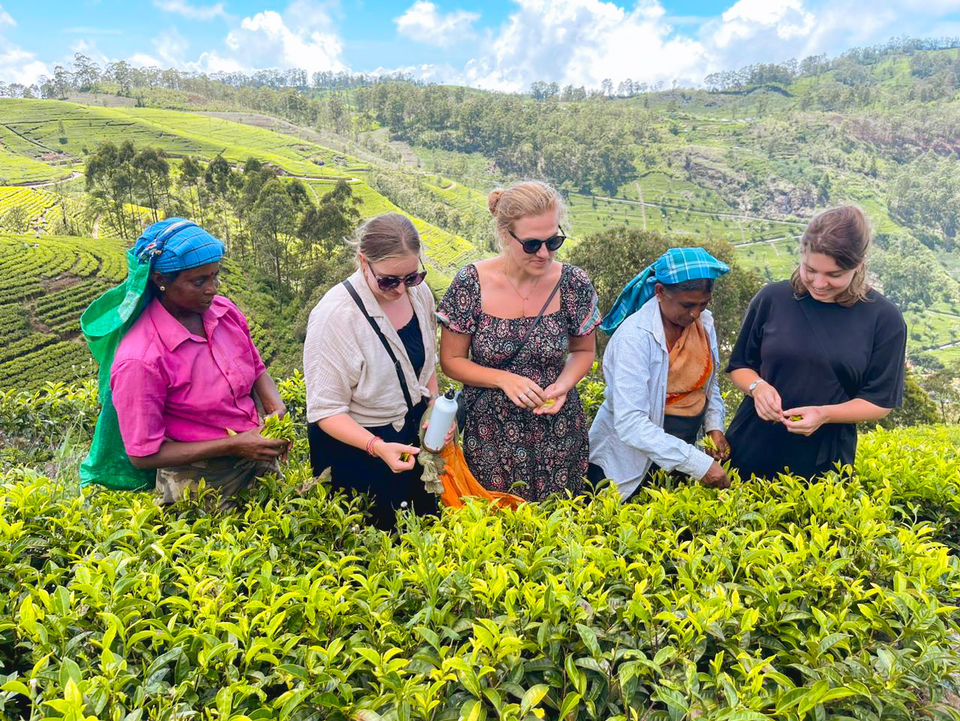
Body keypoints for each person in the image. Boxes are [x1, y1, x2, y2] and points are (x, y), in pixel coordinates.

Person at [437, 181, 600, 501]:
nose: (544, 254)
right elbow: (451, 361)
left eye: (553, 241)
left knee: (558, 520)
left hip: (559, 433)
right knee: (493, 519)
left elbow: (583, 350)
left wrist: (563, 385)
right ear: (504, 234)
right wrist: (504, 379)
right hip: (491, 437)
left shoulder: (573, 283)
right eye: (532, 244)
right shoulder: (471, 283)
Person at [110, 218, 289, 508]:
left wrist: (275, 408)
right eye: (199, 281)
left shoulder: (224, 312)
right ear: (161, 281)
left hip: (256, 456)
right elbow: (143, 455)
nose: (213, 289)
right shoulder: (141, 359)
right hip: (197, 485)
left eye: (215, 276)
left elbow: (257, 369)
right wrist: (234, 445)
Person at [725, 205, 907, 480]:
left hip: (824, 463)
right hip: (749, 447)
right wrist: (757, 387)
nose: (819, 283)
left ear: (858, 265)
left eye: (834, 275)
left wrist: (824, 414)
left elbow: (880, 401)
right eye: (810, 270)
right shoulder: (771, 298)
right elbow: (740, 365)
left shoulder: (884, 318)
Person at [303, 213, 446, 531]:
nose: (400, 290)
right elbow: (326, 411)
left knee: (421, 532)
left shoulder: (420, 294)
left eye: (411, 277)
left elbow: (424, 366)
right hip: (358, 448)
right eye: (388, 281)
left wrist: (435, 407)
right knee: (375, 537)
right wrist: (377, 447)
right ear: (363, 262)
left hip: (409, 436)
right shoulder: (335, 317)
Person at [588, 248, 732, 499]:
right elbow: (631, 424)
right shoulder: (634, 338)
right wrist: (698, 464)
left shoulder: (704, 323)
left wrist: (713, 427)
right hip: (631, 463)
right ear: (660, 292)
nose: (695, 313)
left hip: (683, 453)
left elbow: (709, 384)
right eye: (687, 305)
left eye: (703, 304)